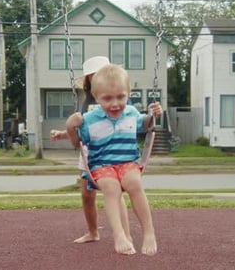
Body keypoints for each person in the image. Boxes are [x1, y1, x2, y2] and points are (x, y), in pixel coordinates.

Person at [65, 64, 161, 256]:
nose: (115, 103)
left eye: (120, 97)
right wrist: (69, 127)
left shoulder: (132, 112)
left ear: (128, 94)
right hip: (102, 166)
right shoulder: (89, 119)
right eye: (107, 99)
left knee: (134, 183)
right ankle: (119, 235)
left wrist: (153, 114)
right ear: (96, 97)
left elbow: (146, 125)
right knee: (112, 189)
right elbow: (77, 143)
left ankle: (149, 232)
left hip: (128, 162)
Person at [50, 56, 131, 244]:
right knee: (87, 194)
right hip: (88, 152)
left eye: (99, 74)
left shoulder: (115, 96)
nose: (96, 78)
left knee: (114, 193)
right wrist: (64, 133)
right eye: (92, 76)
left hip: (110, 150)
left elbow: (127, 121)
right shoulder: (87, 101)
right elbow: (84, 128)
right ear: (88, 80)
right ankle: (93, 233)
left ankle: (126, 236)